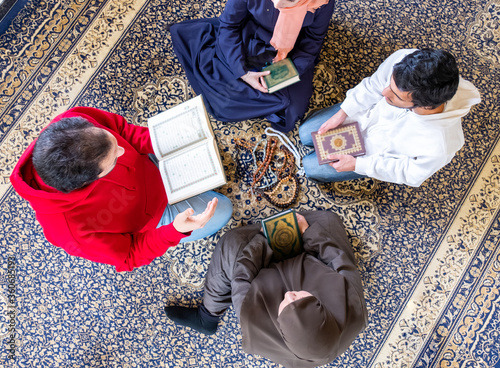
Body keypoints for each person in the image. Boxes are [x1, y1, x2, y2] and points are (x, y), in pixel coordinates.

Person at [10, 106, 233, 272]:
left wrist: (159, 142)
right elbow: (129, 255)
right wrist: (174, 231)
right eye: (113, 160)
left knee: (206, 148)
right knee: (224, 208)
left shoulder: (72, 121)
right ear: (90, 182)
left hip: (150, 163)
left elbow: (123, 131)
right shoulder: (70, 231)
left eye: (112, 142)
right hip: (157, 216)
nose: (122, 151)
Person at [169, 0, 337, 133]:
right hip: (250, 36)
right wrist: (244, 73)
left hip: (291, 49)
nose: (277, 3)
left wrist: (285, 73)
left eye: (291, 0)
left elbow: (312, 41)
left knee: (291, 111)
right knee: (226, 100)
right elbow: (229, 25)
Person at [165, 210, 368, 368]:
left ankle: (207, 316)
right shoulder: (352, 299)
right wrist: (308, 232)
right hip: (310, 260)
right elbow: (337, 257)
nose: (289, 295)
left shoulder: (252, 320)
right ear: (323, 307)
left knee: (230, 244)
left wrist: (261, 241)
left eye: (286, 305)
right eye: (299, 298)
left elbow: (243, 274)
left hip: (261, 270)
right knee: (329, 221)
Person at [298, 49, 481, 186]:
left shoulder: (440, 145)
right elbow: (373, 86)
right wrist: (343, 113)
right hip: (364, 115)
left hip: (371, 156)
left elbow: (409, 174)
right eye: (390, 85)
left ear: (425, 105)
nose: (384, 93)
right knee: (305, 132)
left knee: (310, 167)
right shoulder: (406, 60)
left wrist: (359, 164)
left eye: (396, 95)